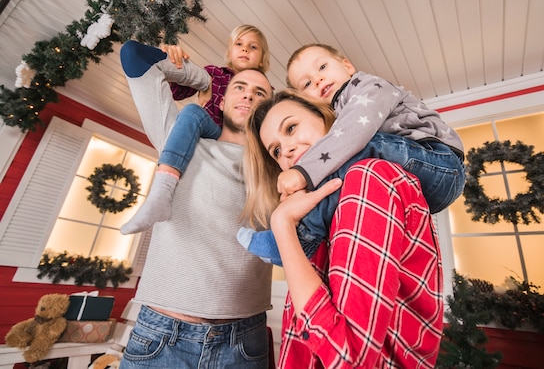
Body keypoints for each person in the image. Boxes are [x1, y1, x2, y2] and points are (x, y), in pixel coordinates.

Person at [243, 91, 444, 367]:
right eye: (276, 150)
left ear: (327, 119)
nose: (286, 150)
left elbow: (347, 358)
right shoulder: (318, 216)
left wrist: (282, 226)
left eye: (291, 128)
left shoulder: (369, 178)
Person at [118, 39, 274, 368]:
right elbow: (133, 57)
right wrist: (187, 69)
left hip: (244, 342)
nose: (247, 95)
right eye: (239, 87)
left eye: (260, 93)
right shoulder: (179, 138)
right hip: (161, 337)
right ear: (224, 96)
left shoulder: (278, 168)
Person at [238, 43, 465, 265]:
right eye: (306, 83)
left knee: (361, 148)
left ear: (347, 66)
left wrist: (303, 172)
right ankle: (296, 236)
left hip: (440, 162)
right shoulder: (338, 117)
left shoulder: (368, 86)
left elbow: (355, 131)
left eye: (322, 67)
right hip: (418, 189)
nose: (317, 79)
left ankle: (300, 237)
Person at [121, 24, 270, 234]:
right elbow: (176, 89)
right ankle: (162, 190)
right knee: (191, 112)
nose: (245, 49)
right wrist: (172, 57)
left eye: (253, 47)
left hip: (241, 142)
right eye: (239, 44)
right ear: (229, 52)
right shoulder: (214, 74)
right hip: (207, 130)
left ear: (263, 59)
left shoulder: (269, 93)